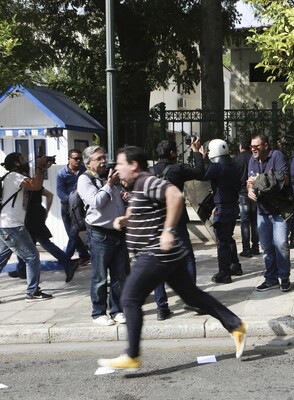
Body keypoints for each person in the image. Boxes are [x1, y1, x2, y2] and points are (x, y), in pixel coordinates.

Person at [97, 146, 246, 370]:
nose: (116, 168)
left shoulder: (147, 181)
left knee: (129, 299)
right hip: (165, 255)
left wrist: (167, 230)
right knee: (192, 296)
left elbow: (175, 195)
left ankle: (132, 355)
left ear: (133, 165)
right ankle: (235, 325)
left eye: (119, 164)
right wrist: (125, 219)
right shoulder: (139, 186)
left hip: (154, 253)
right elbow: (142, 209)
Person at [151, 139, 204, 320]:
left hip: (156, 223)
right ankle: (192, 300)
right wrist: (196, 151)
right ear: (172, 153)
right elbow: (199, 171)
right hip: (177, 221)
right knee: (187, 258)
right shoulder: (177, 169)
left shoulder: (149, 172)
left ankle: (161, 307)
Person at [78, 146, 128, 326]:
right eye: (98, 158)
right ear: (88, 162)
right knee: (99, 277)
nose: (103, 161)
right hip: (100, 234)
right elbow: (96, 202)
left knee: (119, 275)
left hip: (118, 232)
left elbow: (115, 201)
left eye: (103, 157)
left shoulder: (109, 176)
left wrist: (124, 197)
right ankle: (98, 312)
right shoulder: (85, 180)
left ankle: (117, 310)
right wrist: (109, 185)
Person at [0, 153, 54, 302]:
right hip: (12, 225)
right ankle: (33, 292)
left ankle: (33, 291)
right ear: (17, 163)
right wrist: (39, 167)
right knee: (32, 257)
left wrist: (41, 169)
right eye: (23, 159)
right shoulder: (14, 176)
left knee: (1, 259)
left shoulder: (13, 177)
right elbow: (36, 185)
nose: (26, 162)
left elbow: (35, 185)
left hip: (6, 225)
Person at [247, 133, 293, 292]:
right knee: (266, 247)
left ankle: (284, 277)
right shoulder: (252, 160)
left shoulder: (276, 156)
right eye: (251, 146)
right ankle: (271, 279)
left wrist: (260, 179)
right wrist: (249, 190)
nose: (253, 149)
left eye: (256, 146)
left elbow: (284, 179)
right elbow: (249, 181)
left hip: (279, 210)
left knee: (281, 244)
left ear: (265, 145)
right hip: (262, 211)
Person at [196, 138, 243, 284]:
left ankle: (224, 273)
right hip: (233, 207)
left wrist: (198, 155)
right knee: (228, 238)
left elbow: (200, 174)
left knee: (222, 241)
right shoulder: (232, 165)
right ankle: (235, 266)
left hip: (223, 209)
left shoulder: (217, 167)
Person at [56, 148, 90, 267]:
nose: (78, 161)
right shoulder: (62, 173)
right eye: (76, 158)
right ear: (69, 159)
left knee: (73, 233)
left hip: (79, 209)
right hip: (66, 207)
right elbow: (60, 192)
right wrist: (71, 201)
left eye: (80, 159)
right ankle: (84, 255)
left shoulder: (84, 171)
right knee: (71, 234)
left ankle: (66, 258)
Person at [235, 139, 260, 258]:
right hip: (254, 190)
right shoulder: (253, 158)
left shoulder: (237, 159)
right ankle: (255, 247)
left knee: (245, 221)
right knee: (254, 220)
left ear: (240, 146)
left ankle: (246, 248)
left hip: (242, 192)